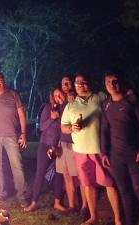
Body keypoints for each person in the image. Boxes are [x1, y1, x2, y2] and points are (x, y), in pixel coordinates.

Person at [61, 74, 121, 225]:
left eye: (84, 82)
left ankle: (118, 219)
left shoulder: (99, 97)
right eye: (78, 83)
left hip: (99, 149)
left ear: (89, 83)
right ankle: (93, 217)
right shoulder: (71, 105)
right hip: (80, 150)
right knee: (88, 184)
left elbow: (115, 96)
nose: (80, 85)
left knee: (109, 183)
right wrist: (71, 128)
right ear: (74, 86)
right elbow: (63, 127)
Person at [101, 72, 139, 225]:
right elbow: (104, 129)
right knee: (124, 191)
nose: (111, 84)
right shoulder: (106, 104)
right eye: (107, 82)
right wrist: (104, 152)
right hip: (116, 156)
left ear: (121, 82)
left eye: (114, 81)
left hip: (134, 155)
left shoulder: (133, 101)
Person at [0, 71, 29, 208]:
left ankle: (22, 196)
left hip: (10, 135)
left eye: (1, 79)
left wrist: (23, 133)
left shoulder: (13, 94)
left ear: (4, 81)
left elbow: (21, 114)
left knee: (17, 165)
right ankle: (1, 193)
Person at [24, 86, 66, 212]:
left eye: (60, 95)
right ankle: (34, 202)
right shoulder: (48, 108)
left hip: (58, 145)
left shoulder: (67, 109)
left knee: (59, 173)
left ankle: (57, 202)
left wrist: (56, 146)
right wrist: (51, 119)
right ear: (52, 97)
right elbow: (41, 127)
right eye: (56, 96)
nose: (58, 98)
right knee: (40, 172)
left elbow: (63, 131)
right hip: (45, 144)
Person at [60, 75, 86, 215]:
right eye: (64, 84)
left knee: (81, 177)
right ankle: (72, 205)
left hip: (75, 143)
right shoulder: (61, 102)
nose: (66, 86)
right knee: (67, 175)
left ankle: (84, 206)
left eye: (69, 83)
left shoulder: (77, 100)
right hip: (63, 142)